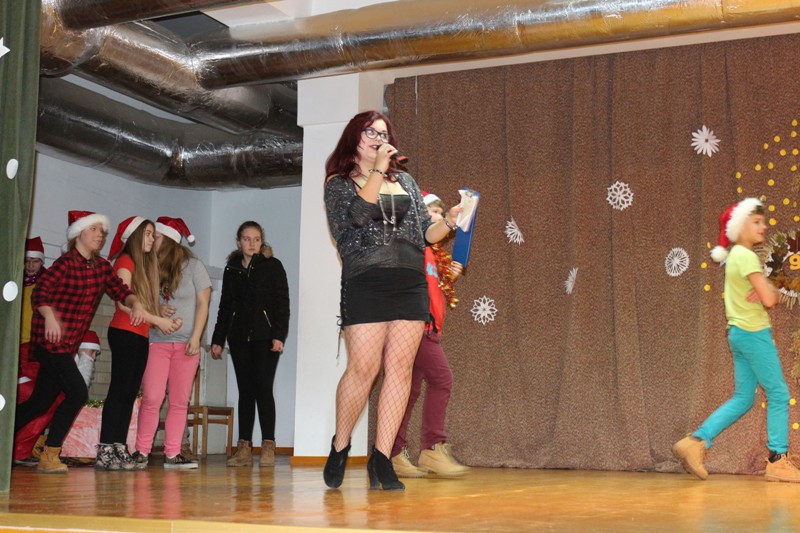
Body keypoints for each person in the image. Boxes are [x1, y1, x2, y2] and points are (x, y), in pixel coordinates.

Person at [323, 110, 460, 491]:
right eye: (370, 132)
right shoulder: (339, 183)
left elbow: (426, 234)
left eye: (383, 133)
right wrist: (378, 172)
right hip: (366, 281)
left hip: (409, 283)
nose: (377, 138)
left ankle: (382, 459)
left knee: (400, 371)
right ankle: (340, 445)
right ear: (354, 138)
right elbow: (355, 218)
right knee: (363, 370)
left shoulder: (407, 182)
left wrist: (449, 221)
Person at [672, 198, 800, 482]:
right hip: (754, 334)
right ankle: (777, 460)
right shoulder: (747, 256)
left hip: (739, 334)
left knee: (743, 399)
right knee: (779, 394)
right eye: (756, 222)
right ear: (740, 226)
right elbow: (770, 299)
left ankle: (695, 441)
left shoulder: (735, 257)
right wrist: (768, 290)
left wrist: (764, 289)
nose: (763, 226)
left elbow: (763, 295)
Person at [14, 211, 147, 474]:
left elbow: (121, 290)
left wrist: (135, 303)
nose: (100, 235)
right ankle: (51, 453)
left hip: (67, 346)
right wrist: (49, 316)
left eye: (102, 231)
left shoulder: (101, 268)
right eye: (94, 230)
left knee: (40, 403)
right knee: (77, 393)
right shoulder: (64, 264)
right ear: (79, 234)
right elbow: (40, 293)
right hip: (50, 343)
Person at [390, 192, 470, 478]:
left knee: (407, 392)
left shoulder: (431, 253)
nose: (438, 215)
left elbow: (431, 287)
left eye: (439, 211)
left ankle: (393, 452)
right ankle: (432, 447)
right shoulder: (414, 245)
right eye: (432, 211)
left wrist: (449, 277)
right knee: (442, 379)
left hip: (428, 327)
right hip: (416, 327)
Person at [96, 216, 183, 471]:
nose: (151, 239)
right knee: (119, 391)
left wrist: (160, 313)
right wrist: (159, 320)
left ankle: (119, 446)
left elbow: (142, 306)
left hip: (140, 335)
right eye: (147, 234)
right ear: (135, 236)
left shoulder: (145, 267)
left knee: (130, 393)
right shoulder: (125, 260)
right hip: (124, 332)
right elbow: (124, 302)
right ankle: (105, 447)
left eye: (153, 234)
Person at [211, 221, 290, 468]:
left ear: (262, 241)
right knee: (245, 391)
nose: (252, 243)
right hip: (238, 338)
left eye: (256, 239)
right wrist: (218, 339)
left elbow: (282, 304)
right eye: (246, 239)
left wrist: (279, 335)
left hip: (266, 338)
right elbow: (225, 306)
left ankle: (268, 446)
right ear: (239, 242)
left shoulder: (273, 266)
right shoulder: (232, 269)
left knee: (263, 389)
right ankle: (243, 448)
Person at [134, 217, 211, 470]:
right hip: (157, 342)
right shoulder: (149, 266)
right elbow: (138, 301)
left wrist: (196, 337)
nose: (151, 240)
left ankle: (173, 453)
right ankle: (141, 451)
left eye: (155, 236)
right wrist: (157, 309)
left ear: (168, 239)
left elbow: (203, 304)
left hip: (186, 345)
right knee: (152, 398)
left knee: (179, 402)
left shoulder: (194, 266)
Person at [14, 330, 100, 466]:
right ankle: (36, 451)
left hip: (52, 353)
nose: (93, 357)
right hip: (24, 378)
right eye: (92, 352)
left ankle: (42, 452)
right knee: (72, 396)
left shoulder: (70, 356)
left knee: (40, 404)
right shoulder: (57, 351)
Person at [13, 237, 48, 464]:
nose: (31, 265)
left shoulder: (46, 286)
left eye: (35, 261)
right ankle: (15, 448)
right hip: (18, 351)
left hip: (39, 351)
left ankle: (22, 449)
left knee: (45, 401)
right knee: (26, 397)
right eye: (27, 261)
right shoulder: (15, 285)